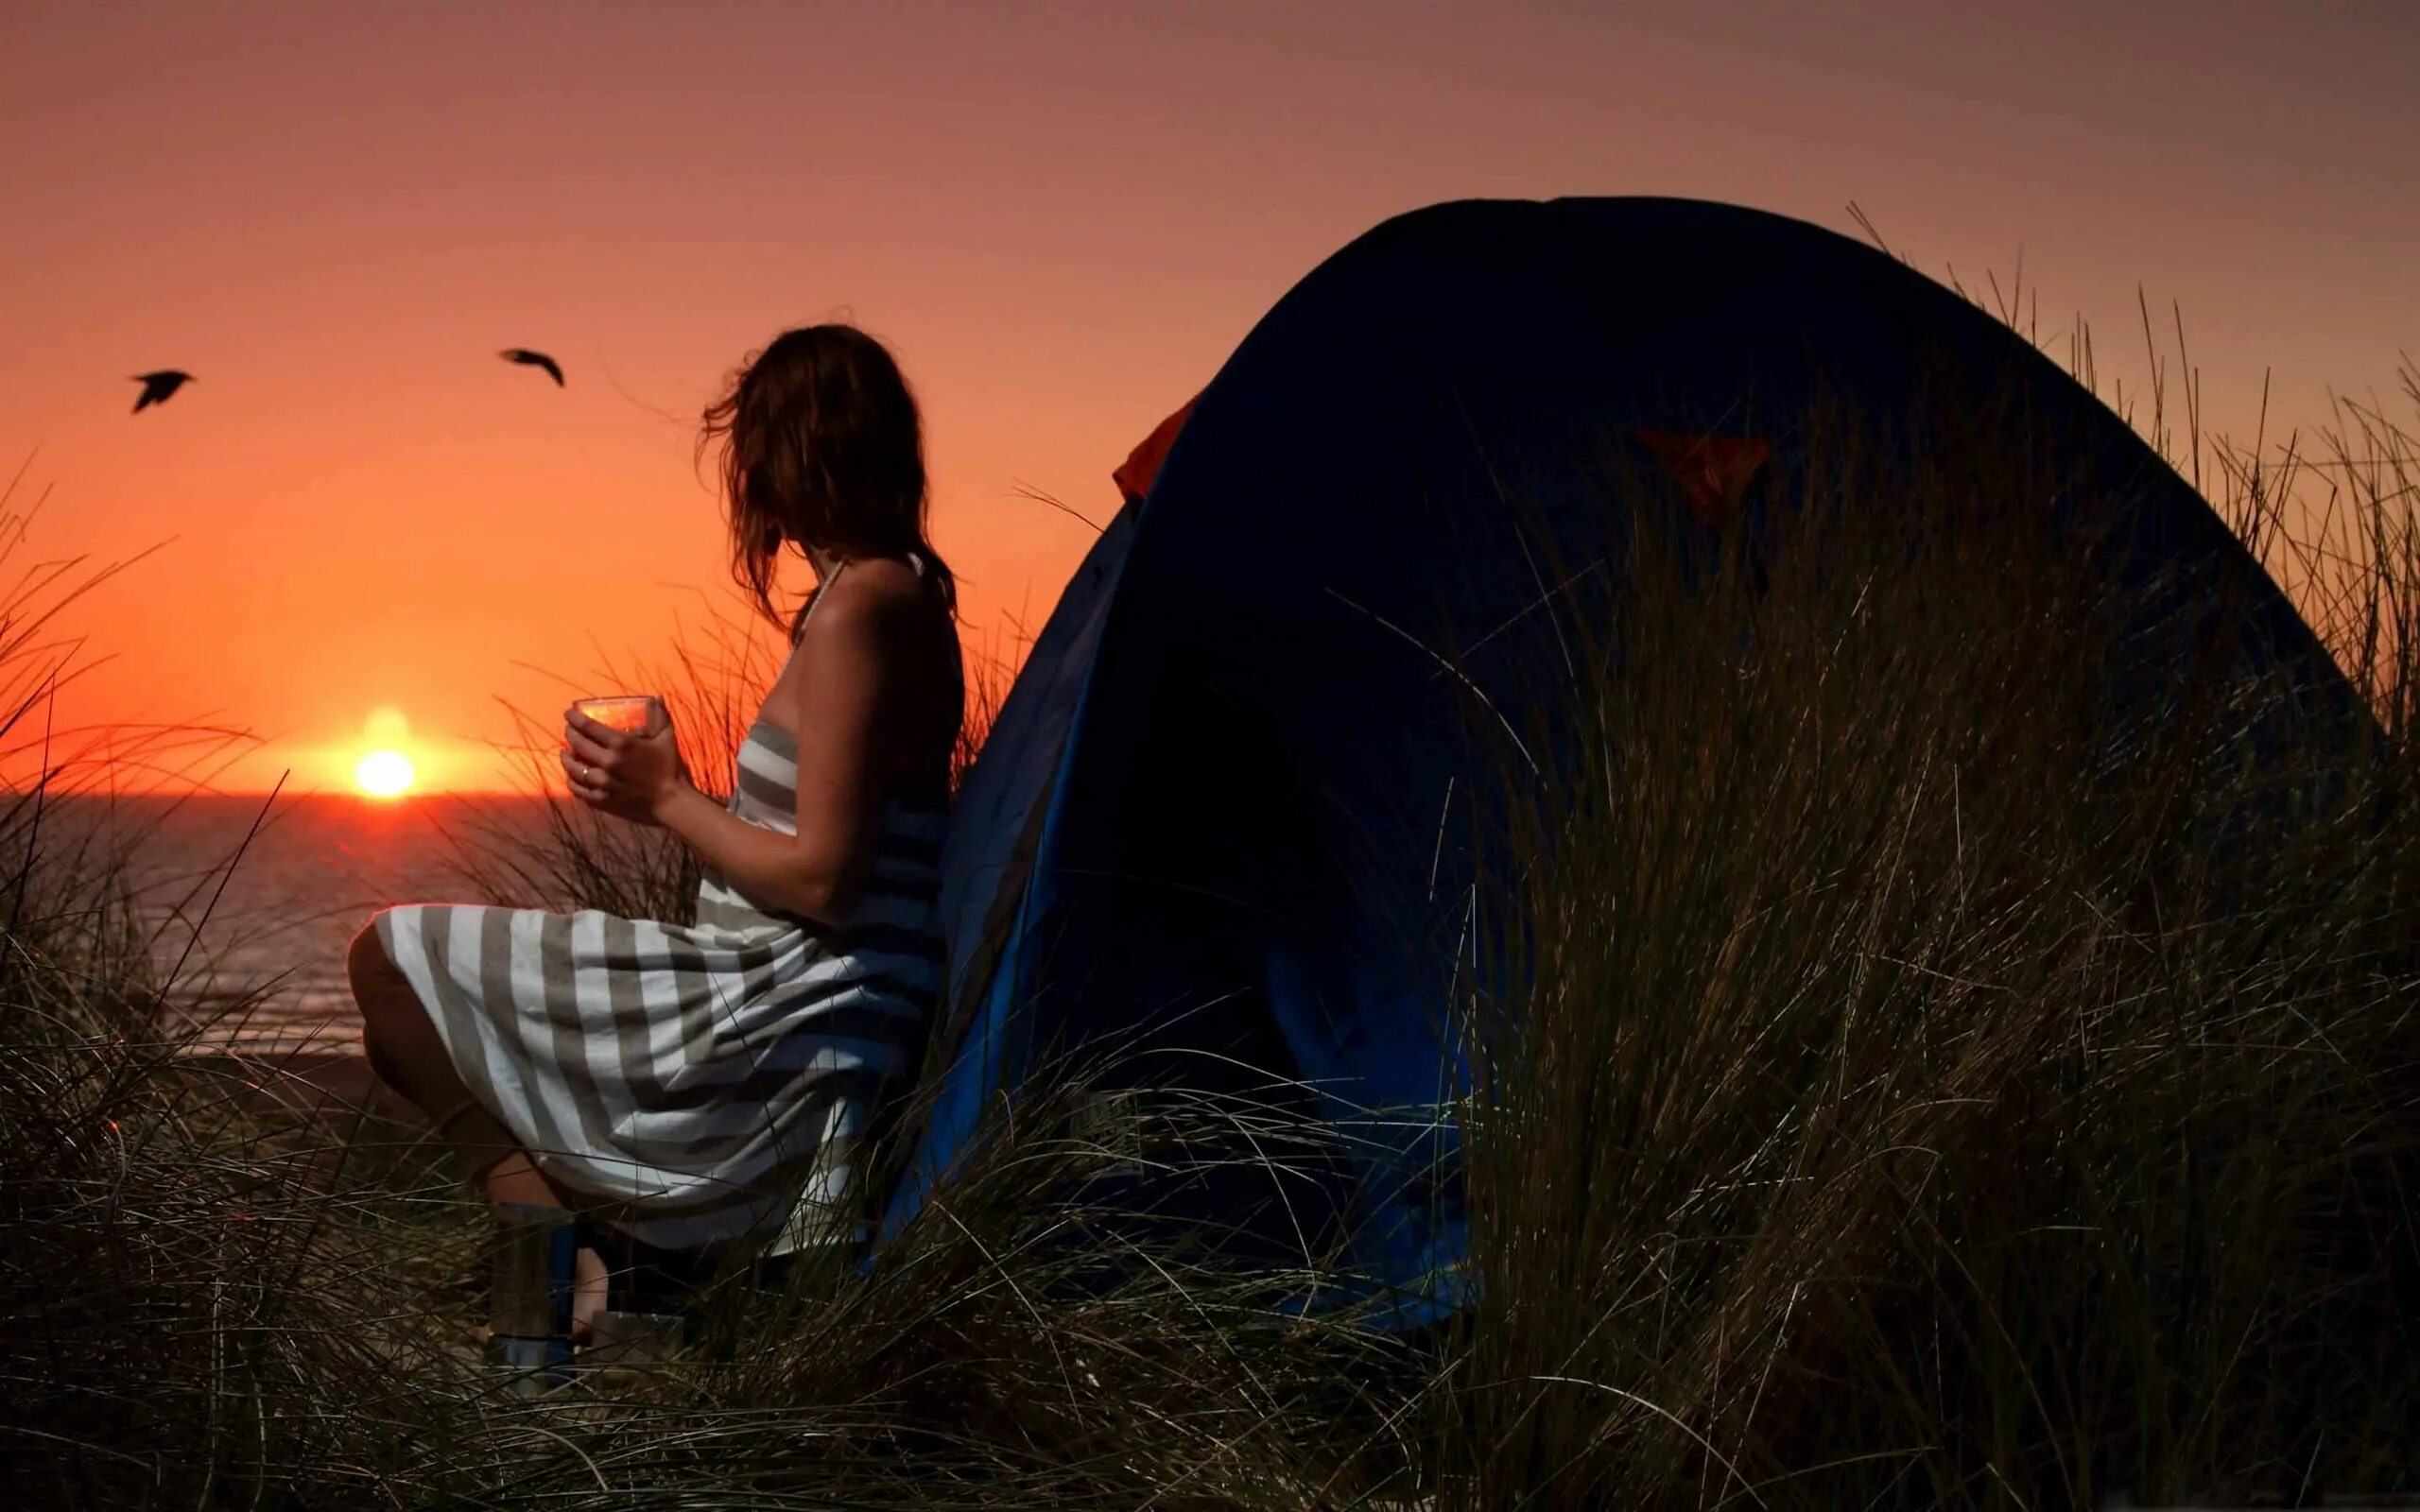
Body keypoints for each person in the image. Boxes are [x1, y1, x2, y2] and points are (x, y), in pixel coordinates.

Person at [347, 323, 965, 1344]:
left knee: (388, 963)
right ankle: (564, 1253)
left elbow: (823, 881)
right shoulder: (873, 597)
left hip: (789, 1003)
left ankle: (547, 1232)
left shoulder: (868, 604)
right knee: (398, 1025)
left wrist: (667, 798)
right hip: (783, 982)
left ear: (782, 456)